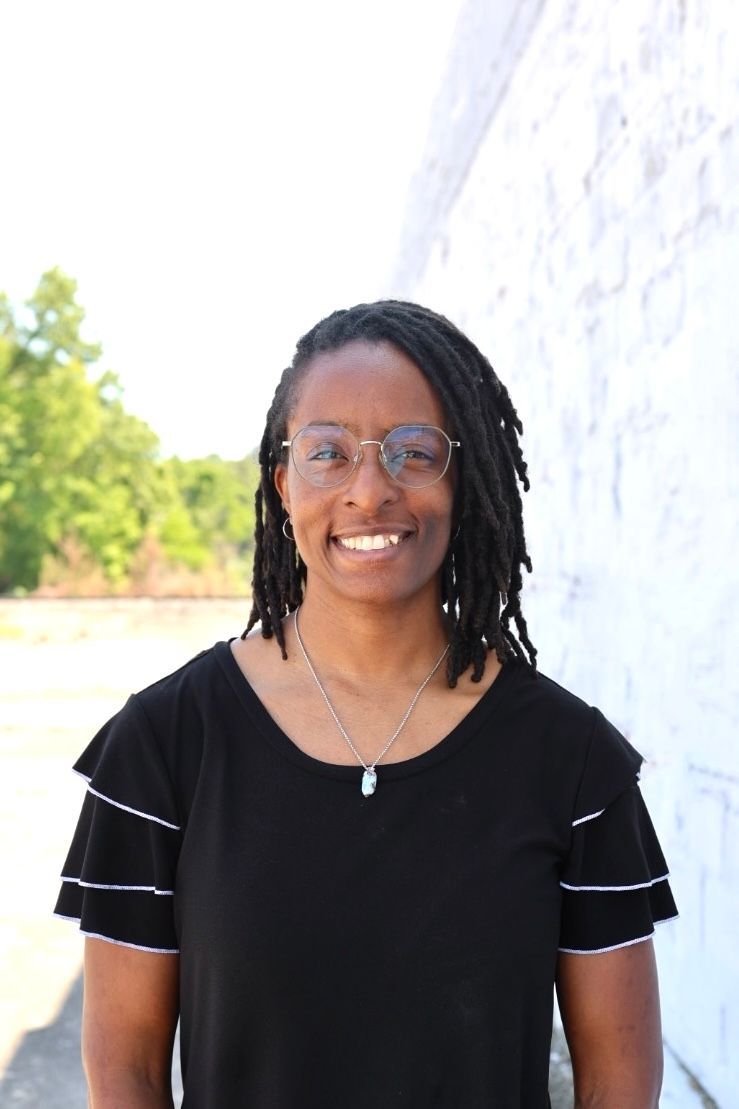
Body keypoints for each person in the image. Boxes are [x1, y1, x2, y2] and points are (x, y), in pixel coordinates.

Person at [55, 300, 677, 1108]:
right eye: (328, 453)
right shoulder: (161, 747)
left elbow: (620, 1083)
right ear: (283, 484)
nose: (369, 490)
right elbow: (127, 1074)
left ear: (465, 477)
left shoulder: (574, 763)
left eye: (414, 452)